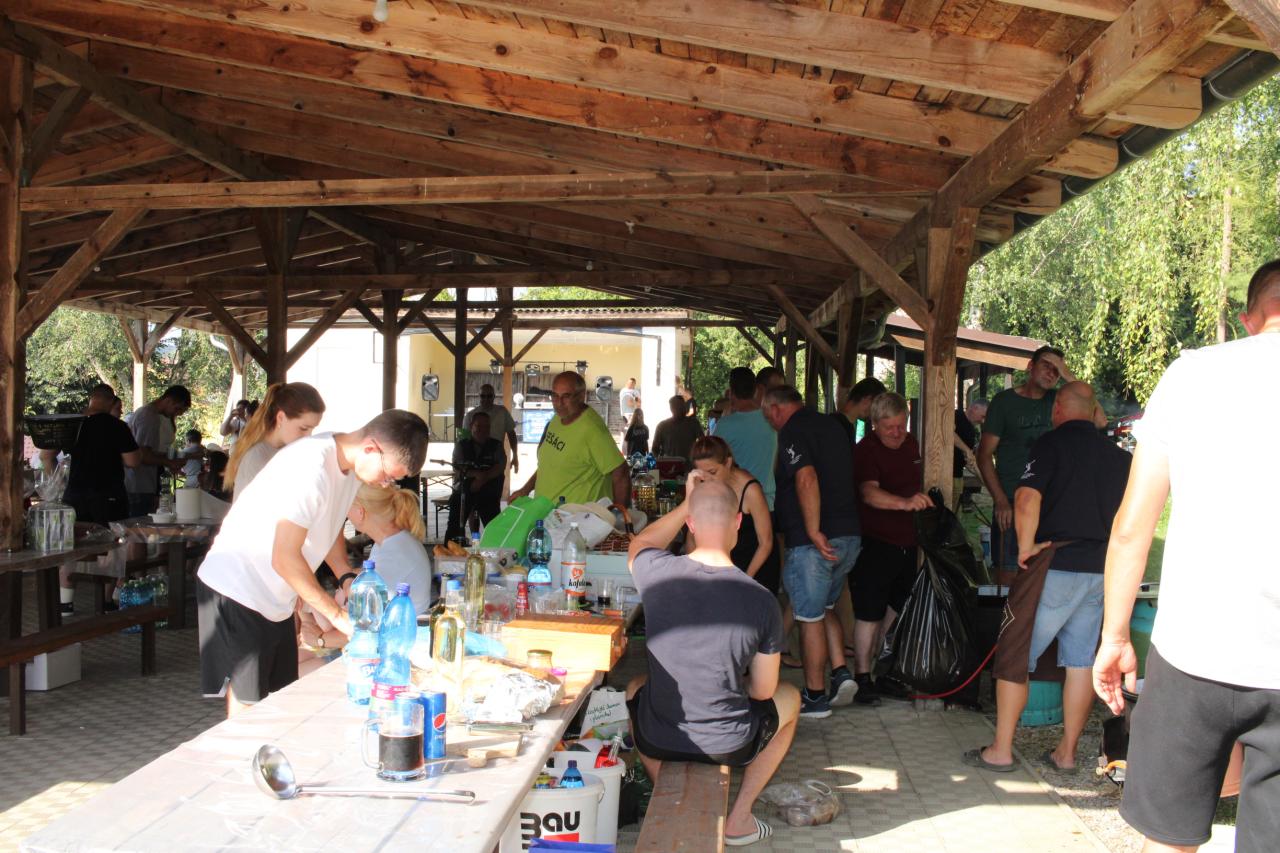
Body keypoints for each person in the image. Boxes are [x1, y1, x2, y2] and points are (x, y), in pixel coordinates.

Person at [1093, 260, 1280, 853]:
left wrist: (1115, 635)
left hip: (1194, 650)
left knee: (1167, 838)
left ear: (1248, 318)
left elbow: (1132, 527)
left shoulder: (1193, 374)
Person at [197, 409, 429, 716]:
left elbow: (328, 528)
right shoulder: (312, 468)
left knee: (278, 696)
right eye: (388, 475)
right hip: (238, 588)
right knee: (248, 704)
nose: (386, 484)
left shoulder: (348, 469)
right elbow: (284, 557)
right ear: (370, 448)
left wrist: (344, 574)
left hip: (274, 595)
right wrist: (335, 614)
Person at [626, 475, 799, 848]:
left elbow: (641, 542)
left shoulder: (656, 573)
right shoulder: (762, 600)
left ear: (690, 524)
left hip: (659, 736)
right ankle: (739, 818)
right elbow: (763, 690)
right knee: (791, 697)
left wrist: (686, 503)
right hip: (730, 742)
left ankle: (667, 795)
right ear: (738, 522)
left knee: (634, 687)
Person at [965, 382, 1130, 773]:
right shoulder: (1119, 457)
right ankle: (1066, 754)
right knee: (1080, 662)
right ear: (1093, 411)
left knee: (1015, 655)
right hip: (1100, 570)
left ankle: (1001, 750)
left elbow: (1026, 498)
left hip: (1055, 565)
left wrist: (1024, 547)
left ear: (1057, 409)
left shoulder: (1049, 445)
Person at [762, 385, 860, 718]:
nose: (770, 423)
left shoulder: (792, 430)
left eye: (768, 417)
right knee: (825, 607)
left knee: (809, 617)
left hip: (814, 542)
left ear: (776, 409)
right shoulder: (833, 425)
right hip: (849, 534)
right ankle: (841, 671)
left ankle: (815, 696)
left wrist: (814, 530)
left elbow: (806, 478)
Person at [850, 392, 933, 704]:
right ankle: (862, 676)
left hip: (908, 543)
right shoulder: (866, 451)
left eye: (901, 425)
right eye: (890, 428)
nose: (897, 433)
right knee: (869, 612)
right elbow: (869, 494)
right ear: (874, 425)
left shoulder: (911, 444)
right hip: (875, 542)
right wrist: (905, 503)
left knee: (898, 609)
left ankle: (884, 670)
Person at [976, 346, 1083, 578]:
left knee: (1050, 577)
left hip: (1053, 503)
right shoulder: (1004, 402)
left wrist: (1067, 374)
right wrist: (1000, 501)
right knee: (1009, 577)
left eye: (1057, 370)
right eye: (1046, 365)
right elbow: (984, 455)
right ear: (1030, 366)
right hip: (1013, 502)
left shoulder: (1061, 401)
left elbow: (1099, 419)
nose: (1051, 373)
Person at [510, 371, 630, 506]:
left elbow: (621, 473)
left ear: (581, 396)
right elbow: (548, 465)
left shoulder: (592, 430)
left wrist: (621, 513)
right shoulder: (559, 417)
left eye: (566, 396)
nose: (559, 403)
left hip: (577, 517)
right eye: (555, 396)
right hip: (547, 513)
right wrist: (525, 489)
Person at [688, 436, 779, 593]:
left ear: (728, 463)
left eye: (712, 472)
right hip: (721, 569)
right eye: (702, 474)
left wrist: (745, 580)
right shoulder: (700, 486)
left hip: (755, 568)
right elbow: (692, 537)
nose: (707, 480)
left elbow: (766, 542)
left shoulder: (751, 490)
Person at [225, 382, 325, 500]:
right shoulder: (257, 457)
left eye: (312, 429)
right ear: (281, 418)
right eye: (303, 428)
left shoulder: (285, 451)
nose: (308, 436)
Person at [348, 483, 433, 614]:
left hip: (401, 625)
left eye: (348, 505)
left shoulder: (390, 553)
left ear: (360, 512)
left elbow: (361, 611)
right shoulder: (394, 541)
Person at [712, 366, 777, 509]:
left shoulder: (725, 425)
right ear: (755, 390)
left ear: (731, 392)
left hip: (736, 503)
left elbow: (712, 461)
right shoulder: (771, 420)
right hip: (767, 502)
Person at [123, 385, 192, 517]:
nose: (176, 414)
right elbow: (143, 455)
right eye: (177, 409)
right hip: (139, 484)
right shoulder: (149, 416)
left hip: (143, 483)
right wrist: (169, 462)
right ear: (168, 400)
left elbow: (149, 451)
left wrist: (169, 458)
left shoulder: (150, 414)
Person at [447, 410, 506, 540]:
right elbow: (457, 468)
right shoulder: (461, 446)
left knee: (495, 528)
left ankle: (494, 546)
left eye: (486, 427)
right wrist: (475, 475)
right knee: (455, 518)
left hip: (489, 493)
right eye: (479, 426)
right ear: (471, 426)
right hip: (465, 492)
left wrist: (482, 479)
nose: (483, 430)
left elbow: (500, 467)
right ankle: (452, 545)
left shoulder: (496, 446)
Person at [462, 383, 519, 477]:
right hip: (475, 461)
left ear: (494, 397)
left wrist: (515, 456)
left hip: (496, 459)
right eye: (483, 396)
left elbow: (511, 434)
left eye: (489, 396)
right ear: (479, 396)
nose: (486, 399)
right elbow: (463, 440)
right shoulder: (470, 416)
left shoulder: (502, 412)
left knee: (495, 484)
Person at [952, 399, 985, 508]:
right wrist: (966, 449)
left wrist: (982, 477)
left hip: (957, 476)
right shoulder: (956, 415)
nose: (982, 421)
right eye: (982, 416)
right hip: (943, 475)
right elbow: (948, 433)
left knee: (953, 514)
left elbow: (968, 459)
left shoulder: (972, 431)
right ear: (975, 408)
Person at [834, 377, 887, 446]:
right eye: (877, 406)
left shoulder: (839, 424)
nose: (876, 412)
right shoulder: (841, 428)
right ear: (867, 399)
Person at [652, 394, 704, 464]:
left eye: (683, 405)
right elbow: (655, 448)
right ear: (671, 408)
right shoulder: (662, 426)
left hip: (689, 465)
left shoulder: (693, 423)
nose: (682, 408)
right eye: (677, 406)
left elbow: (703, 442)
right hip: (669, 466)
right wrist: (660, 462)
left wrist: (699, 459)